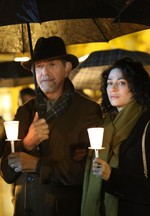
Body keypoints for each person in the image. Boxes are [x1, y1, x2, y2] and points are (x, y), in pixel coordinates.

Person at [0, 36, 102, 216]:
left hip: (63, 210)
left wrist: (39, 165)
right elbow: (7, 174)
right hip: (24, 209)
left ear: (67, 68)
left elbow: (88, 173)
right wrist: (27, 144)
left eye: (52, 65)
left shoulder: (87, 110)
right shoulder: (25, 111)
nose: (44, 72)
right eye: (38, 66)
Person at [81, 58, 150, 216]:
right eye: (109, 83)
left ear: (136, 87)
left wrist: (112, 176)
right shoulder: (104, 126)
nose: (112, 88)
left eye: (121, 83)